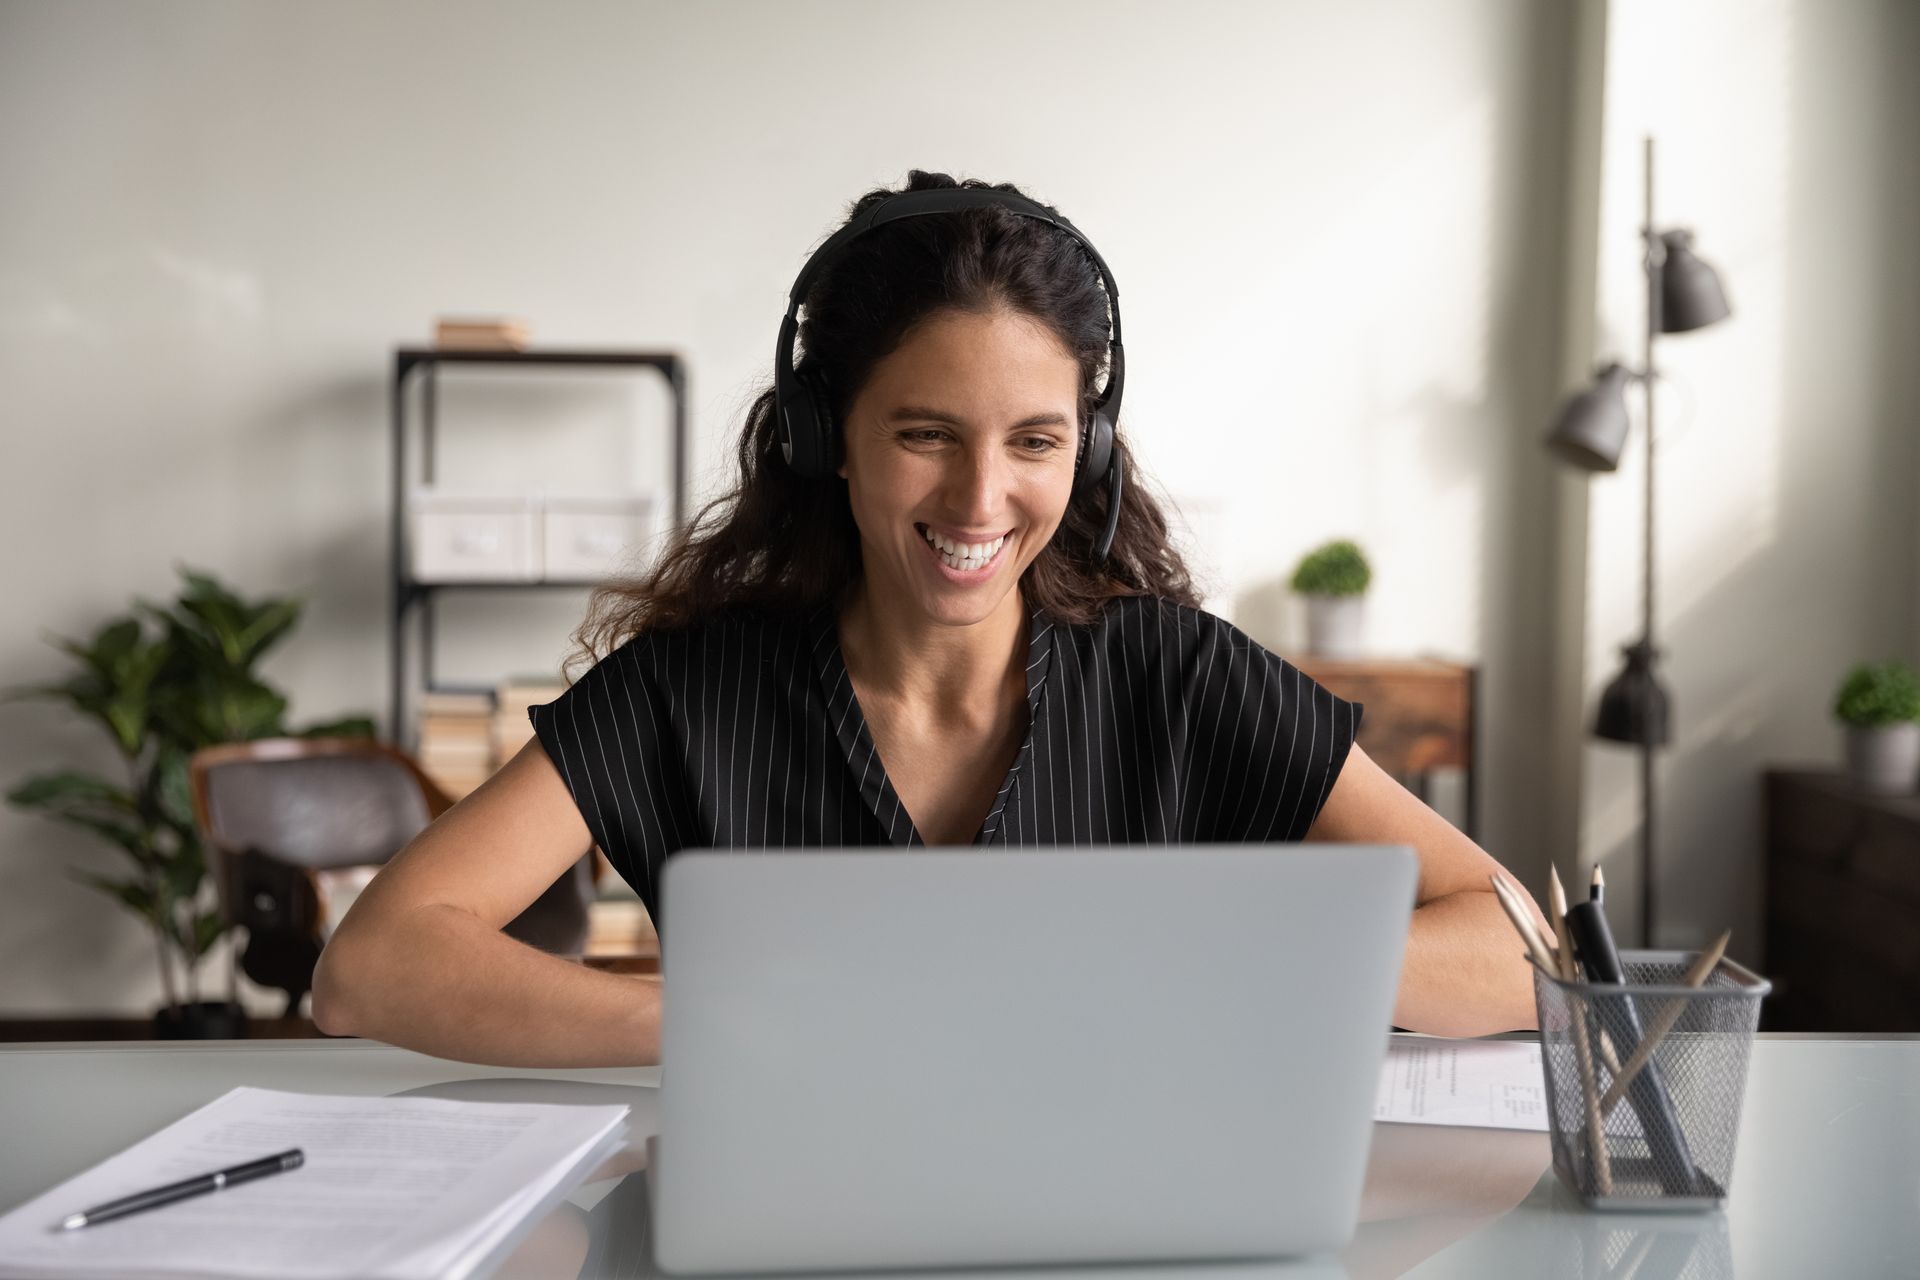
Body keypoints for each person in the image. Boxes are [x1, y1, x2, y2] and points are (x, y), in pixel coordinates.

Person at [314, 171, 1553, 1067]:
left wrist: (1214, 966)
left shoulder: (1180, 677)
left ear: (1091, 453)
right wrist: (719, 1020)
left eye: (1035, 442)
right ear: (826, 440)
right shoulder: (688, 690)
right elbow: (370, 967)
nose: (979, 498)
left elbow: (1525, 950)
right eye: (924, 434)